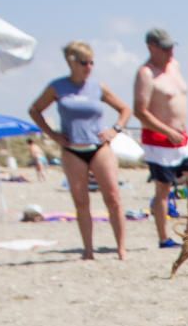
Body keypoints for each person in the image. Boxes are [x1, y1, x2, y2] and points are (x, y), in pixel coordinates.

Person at [28, 41, 132, 260]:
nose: (89, 67)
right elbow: (35, 110)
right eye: (84, 62)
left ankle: (121, 248)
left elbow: (124, 109)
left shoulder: (98, 87)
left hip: (99, 147)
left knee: (113, 197)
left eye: (92, 62)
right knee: (81, 201)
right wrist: (53, 135)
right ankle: (88, 250)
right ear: (71, 62)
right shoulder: (57, 87)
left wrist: (115, 130)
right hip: (72, 148)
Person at [134, 27, 188, 249]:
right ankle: (163, 237)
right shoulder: (146, 74)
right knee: (163, 190)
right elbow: (140, 111)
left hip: (182, 138)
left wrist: (178, 132)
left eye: (171, 47)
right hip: (159, 139)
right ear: (152, 47)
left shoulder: (174, 66)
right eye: (165, 48)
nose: (170, 52)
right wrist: (168, 132)